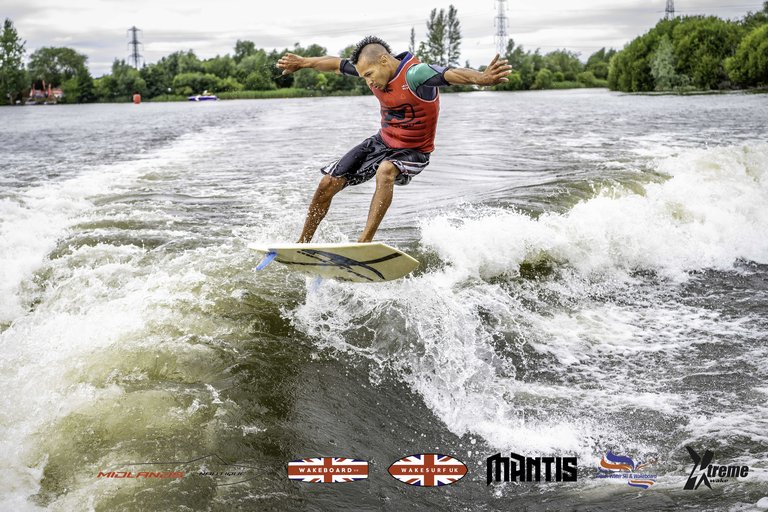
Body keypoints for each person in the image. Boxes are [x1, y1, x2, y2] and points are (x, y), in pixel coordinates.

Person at [277, 36, 511, 243]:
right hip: (382, 141)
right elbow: (336, 64)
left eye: (369, 75)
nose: (368, 81)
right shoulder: (369, 69)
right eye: (363, 76)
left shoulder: (415, 74)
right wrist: (304, 62)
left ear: (384, 61)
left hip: (415, 150)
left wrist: (482, 78)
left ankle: (364, 243)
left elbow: (449, 73)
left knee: (386, 170)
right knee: (328, 182)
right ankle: (303, 244)